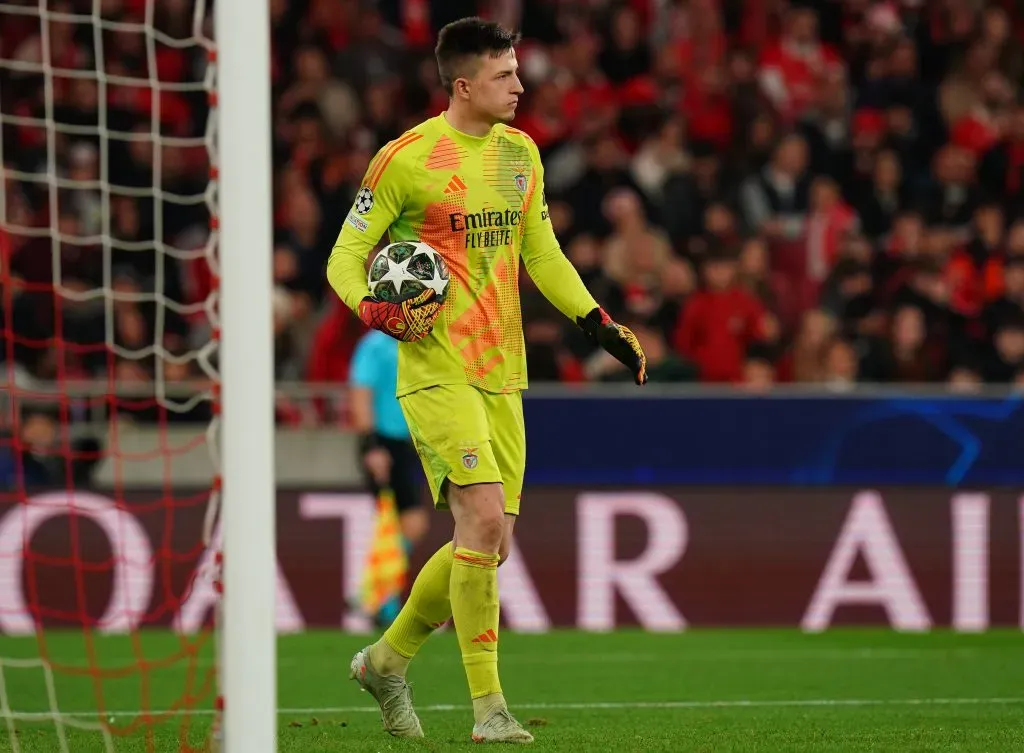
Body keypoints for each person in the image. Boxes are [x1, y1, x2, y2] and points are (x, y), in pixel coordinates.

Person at [327, 18, 647, 744]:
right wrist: (375, 309)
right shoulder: (405, 159)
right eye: (506, 76)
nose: (521, 86)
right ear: (465, 84)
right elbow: (345, 257)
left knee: (491, 543)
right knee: (477, 521)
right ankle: (489, 708)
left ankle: (386, 658)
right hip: (435, 367)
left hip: (504, 371)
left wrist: (598, 322)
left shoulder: (520, 154)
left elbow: (543, 252)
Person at [349, 328, 430, 625]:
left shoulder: (414, 340)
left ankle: (378, 597)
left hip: (405, 444)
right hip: (384, 443)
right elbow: (360, 393)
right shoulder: (375, 345)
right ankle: (379, 598)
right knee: (406, 522)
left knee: (402, 525)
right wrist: (370, 446)